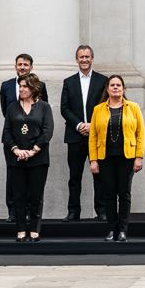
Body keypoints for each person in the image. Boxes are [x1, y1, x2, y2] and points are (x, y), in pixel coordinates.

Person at [89, 75, 145, 242]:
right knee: (109, 194)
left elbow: (140, 134)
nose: (115, 88)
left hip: (127, 157)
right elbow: (92, 137)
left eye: (118, 85)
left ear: (123, 89)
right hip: (105, 158)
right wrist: (93, 160)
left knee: (124, 193)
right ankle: (111, 229)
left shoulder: (133, 108)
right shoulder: (98, 109)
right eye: (112, 85)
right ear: (107, 89)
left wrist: (139, 157)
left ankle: (122, 230)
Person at [3, 73, 54, 242]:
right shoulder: (12, 107)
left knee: (35, 196)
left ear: (34, 88)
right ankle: (20, 230)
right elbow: (7, 132)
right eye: (21, 86)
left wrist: (33, 151)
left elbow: (47, 132)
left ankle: (34, 229)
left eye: (25, 86)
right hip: (16, 159)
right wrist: (16, 150)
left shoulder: (44, 107)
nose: (22, 89)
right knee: (18, 195)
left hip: (38, 159)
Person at [59, 45, 107, 221]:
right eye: (81, 57)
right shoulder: (68, 82)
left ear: (92, 58)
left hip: (98, 135)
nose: (84, 60)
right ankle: (73, 211)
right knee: (74, 176)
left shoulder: (103, 81)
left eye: (87, 57)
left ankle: (101, 210)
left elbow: (106, 105)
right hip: (75, 135)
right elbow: (64, 108)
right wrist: (79, 125)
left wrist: (92, 124)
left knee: (100, 175)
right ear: (76, 59)